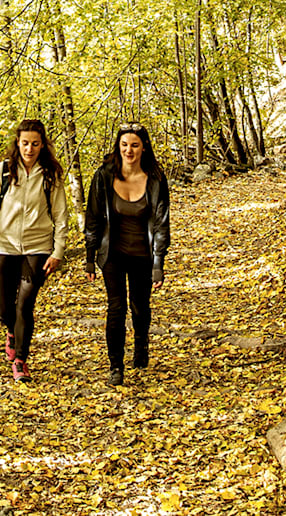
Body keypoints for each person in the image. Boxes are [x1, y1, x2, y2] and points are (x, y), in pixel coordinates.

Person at [0, 118, 69, 382]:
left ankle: (20, 360)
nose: (30, 149)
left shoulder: (50, 174)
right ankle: (11, 331)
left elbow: (61, 215)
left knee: (25, 306)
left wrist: (58, 251)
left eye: (35, 144)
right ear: (17, 144)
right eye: (25, 143)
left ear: (43, 145)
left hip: (38, 247)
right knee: (5, 310)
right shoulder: (4, 172)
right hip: (6, 246)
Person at [84, 122, 170, 386]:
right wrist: (89, 255)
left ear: (143, 147)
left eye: (134, 145)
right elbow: (93, 216)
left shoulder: (155, 179)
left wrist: (158, 263)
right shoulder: (104, 176)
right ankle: (115, 365)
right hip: (113, 254)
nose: (129, 150)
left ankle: (141, 345)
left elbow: (161, 223)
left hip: (143, 254)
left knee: (140, 307)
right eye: (124, 145)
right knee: (116, 307)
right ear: (118, 147)